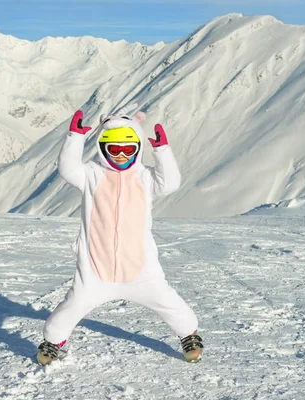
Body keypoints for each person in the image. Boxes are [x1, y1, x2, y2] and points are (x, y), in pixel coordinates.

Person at [37, 104, 203, 365]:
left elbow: (169, 183)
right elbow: (68, 170)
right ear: (103, 148)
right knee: (71, 307)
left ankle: (189, 336)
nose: (122, 155)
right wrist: (75, 138)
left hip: (140, 268)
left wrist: (162, 151)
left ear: (138, 148)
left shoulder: (145, 177)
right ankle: (52, 342)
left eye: (129, 149)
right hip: (95, 270)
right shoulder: (92, 174)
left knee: (169, 302)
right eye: (115, 149)